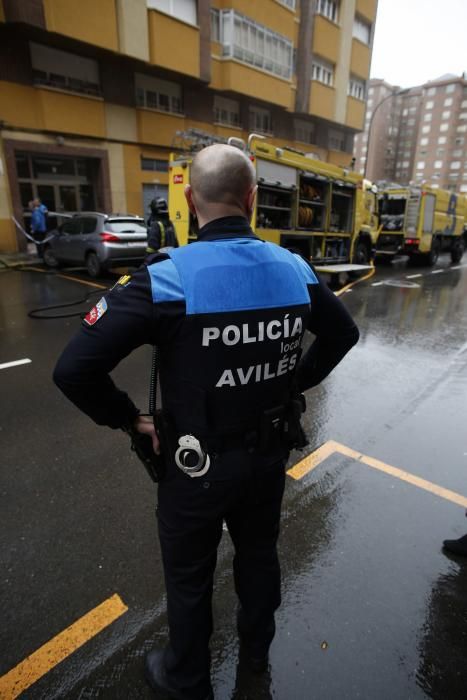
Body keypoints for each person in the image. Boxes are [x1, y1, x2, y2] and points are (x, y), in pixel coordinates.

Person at [53, 144, 359, 700]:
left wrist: (129, 420)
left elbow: (73, 370)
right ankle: (256, 662)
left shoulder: (167, 277)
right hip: (267, 458)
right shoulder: (293, 268)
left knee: (191, 576)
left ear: (191, 199)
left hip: (193, 466)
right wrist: (294, 382)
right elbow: (344, 334)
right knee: (259, 557)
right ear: (252, 199)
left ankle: (187, 678)